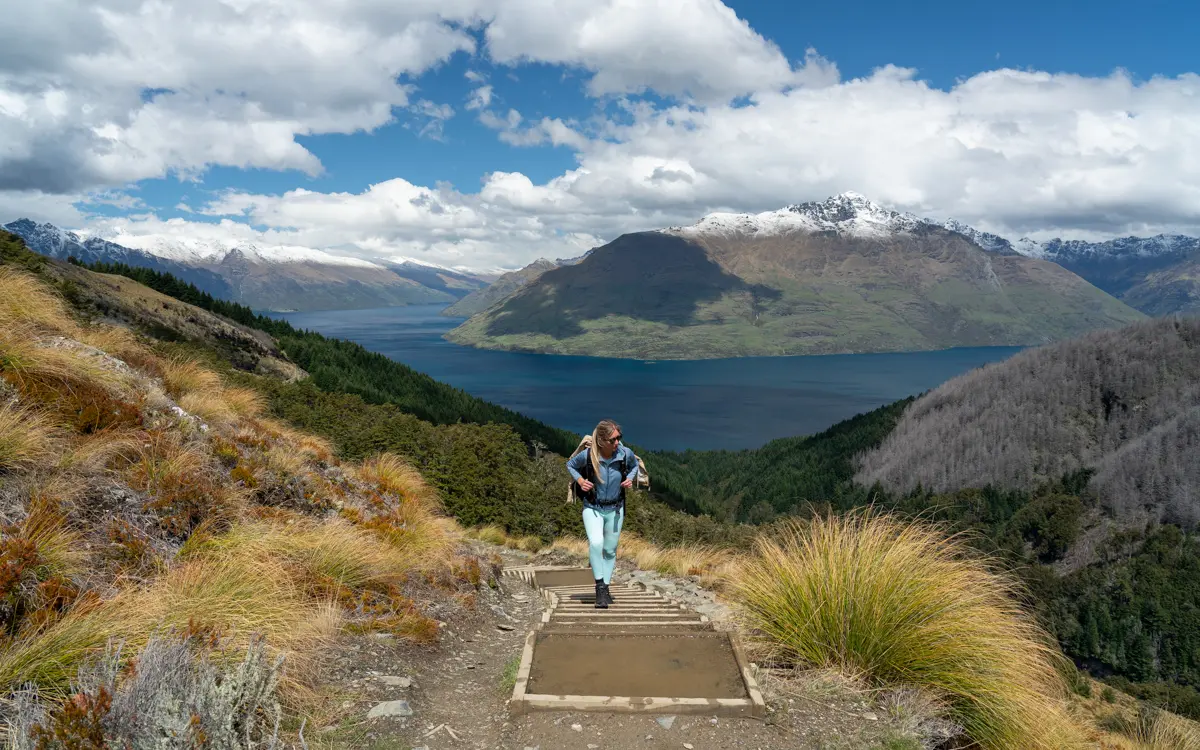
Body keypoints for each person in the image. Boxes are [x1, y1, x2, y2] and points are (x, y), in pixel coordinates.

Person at [566, 419, 639, 609]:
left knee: (609, 550)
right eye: (613, 440)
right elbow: (570, 465)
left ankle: (606, 588)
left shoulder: (624, 454)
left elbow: (634, 466)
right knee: (596, 543)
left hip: (615, 508)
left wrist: (630, 479)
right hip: (593, 506)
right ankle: (599, 588)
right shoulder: (588, 456)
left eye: (618, 438)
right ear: (601, 441)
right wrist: (581, 481)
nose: (617, 443)